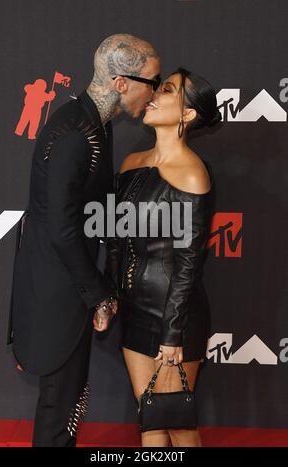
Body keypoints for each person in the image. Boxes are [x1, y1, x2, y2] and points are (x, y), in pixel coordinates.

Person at [7, 33, 160, 447]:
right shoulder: (77, 133)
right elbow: (62, 227)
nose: (156, 90)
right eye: (152, 80)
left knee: (70, 405)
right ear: (122, 83)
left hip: (69, 286)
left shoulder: (95, 125)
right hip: (56, 294)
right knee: (60, 412)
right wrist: (98, 294)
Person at [105, 67, 221, 447]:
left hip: (174, 318)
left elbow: (188, 266)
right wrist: (109, 296)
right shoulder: (131, 163)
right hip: (134, 309)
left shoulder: (192, 174)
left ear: (187, 114)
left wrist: (172, 336)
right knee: (149, 421)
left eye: (167, 90)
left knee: (178, 427)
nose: (154, 93)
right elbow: (117, 241)